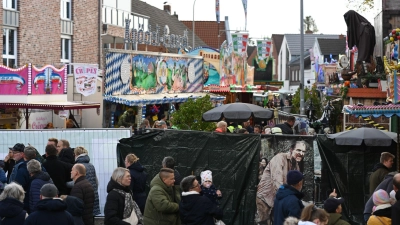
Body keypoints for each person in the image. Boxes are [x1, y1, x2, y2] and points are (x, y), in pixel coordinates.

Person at [256, 140, 308, 225]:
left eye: (303, 151)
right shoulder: (279, 158)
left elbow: (295, 186)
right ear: (291, 149)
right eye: (298, 150)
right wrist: (288, 200)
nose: (301, 153)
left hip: (280, 198)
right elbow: (277, 181)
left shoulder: (296, 165)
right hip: (265, 198)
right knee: (265, 223)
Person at [10, 145, 37, 212]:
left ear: (23, 154)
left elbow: (17, 187)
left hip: (24, 202)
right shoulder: (40, 166)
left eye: (15, 152)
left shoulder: (20, 167)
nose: (13, 155)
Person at [74, 147, 100, 216]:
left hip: (84, 196)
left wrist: (65, 184)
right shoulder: (91, 165)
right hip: (93, 195)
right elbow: (96, 182)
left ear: (76, 154)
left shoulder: (78, 166)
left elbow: (76, 181)